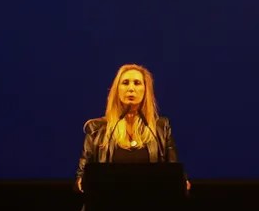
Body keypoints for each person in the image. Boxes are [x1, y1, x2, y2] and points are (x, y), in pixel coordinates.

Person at [75, 64, 191, 197]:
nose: (131, 88)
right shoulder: (96, 128)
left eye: (137, 83)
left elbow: (174, 172)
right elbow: (81, 177)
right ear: (116, 90)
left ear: (146, 90)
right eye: (125, 83)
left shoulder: (161, 127)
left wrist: (182, 182)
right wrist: (81, 182)